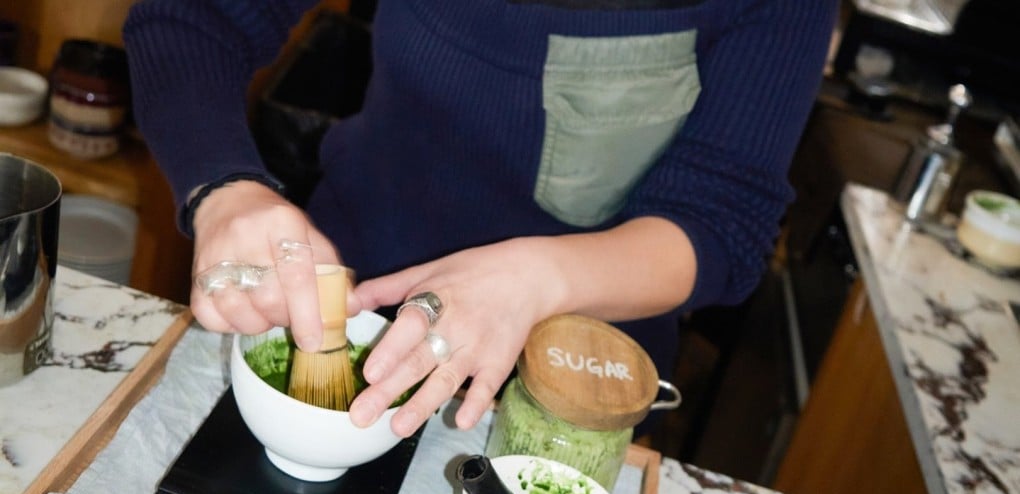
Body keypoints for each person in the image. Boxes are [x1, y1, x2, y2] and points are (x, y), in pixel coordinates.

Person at [123, 0, 838, 440]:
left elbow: (724, 220)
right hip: (343, 310)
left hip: (565, 394)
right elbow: (195, 16)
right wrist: (225, 188)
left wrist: (541, 276)